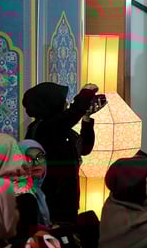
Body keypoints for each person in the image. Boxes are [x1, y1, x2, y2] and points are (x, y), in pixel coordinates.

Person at [22, 81, 104, 225]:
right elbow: (72, 114)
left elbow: (85, 149)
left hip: (67, 198)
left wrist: (86, 118)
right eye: (62, 100)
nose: (66, 103)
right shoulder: (43, 128)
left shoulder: (60, 128)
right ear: (50, 104)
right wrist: (86, 92)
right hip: (52, 201)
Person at [17, 139, 51, 228]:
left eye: (40, 157)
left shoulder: (38, 189)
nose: (36, 163)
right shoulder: (20, 193)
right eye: (28, 159)